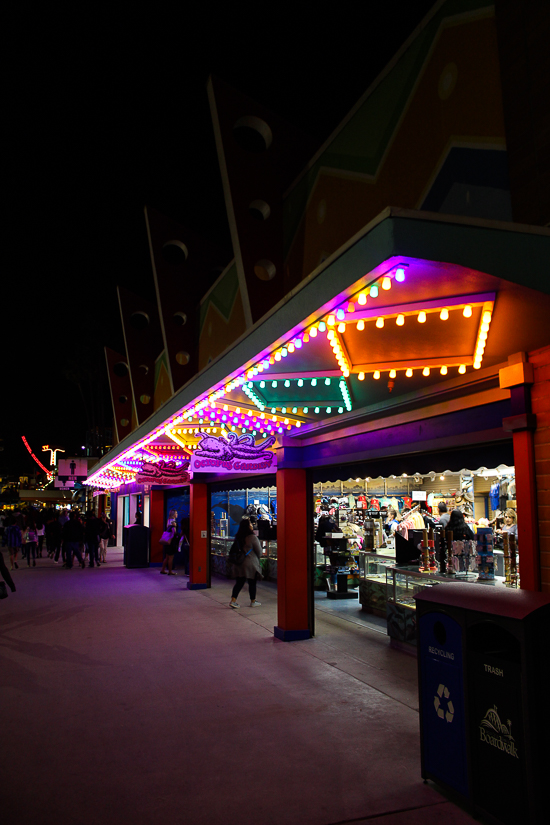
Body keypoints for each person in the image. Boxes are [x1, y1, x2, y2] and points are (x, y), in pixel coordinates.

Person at [229, 517, 262, 609]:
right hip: (250, 564)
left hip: (239, 563)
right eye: (250, 524)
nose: (252, 525)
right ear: (248, 526)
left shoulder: (238, 536)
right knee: (252, 583)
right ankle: (253, 601)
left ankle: (233, 600)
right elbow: (259, 551)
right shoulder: (252, 537)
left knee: (239, 582)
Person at [160, 509, 178, 576]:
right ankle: (170, 571)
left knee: (167, 557)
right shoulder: (173, 522)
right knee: (171, 557)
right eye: (176, 513)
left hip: (167, 541)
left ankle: (163, 569)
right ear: (173, 514)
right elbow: (174, 532)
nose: (177, 514)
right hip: (171, 542)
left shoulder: (168, 520)